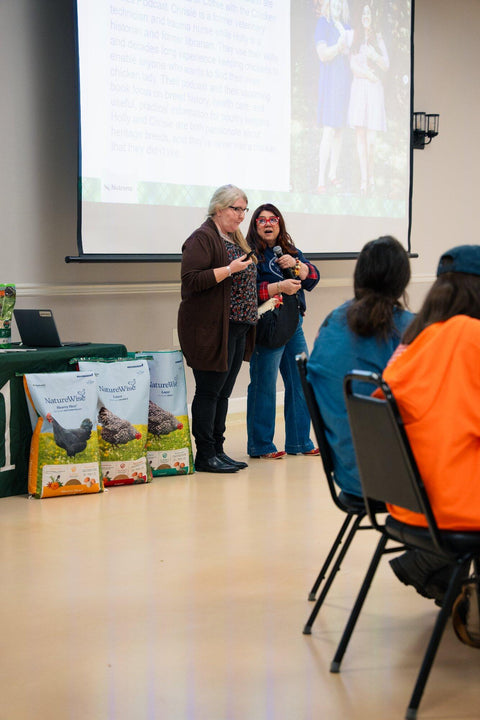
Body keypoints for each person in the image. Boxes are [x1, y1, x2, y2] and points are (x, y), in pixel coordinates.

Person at [379, 245, 480, 604]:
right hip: (456, 506)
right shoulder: (471, 337)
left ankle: (434, 564)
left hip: (408, 502)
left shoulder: (413, 342)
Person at [307, 235, 413, 497]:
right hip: (405, 484)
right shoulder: (410, 330)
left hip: (348, 474)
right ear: (402, 281)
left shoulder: (332, 322)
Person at [177, 184, 257, 474]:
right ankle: (205, 454)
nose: (241, 216)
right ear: (219, 208)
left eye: (244, 210)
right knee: (209, 392)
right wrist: (229, 270)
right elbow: (191, 280)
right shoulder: (202, 238)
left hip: (236, 328)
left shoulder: (235, 239)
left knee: (223, 392)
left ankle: (219, 450)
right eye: (237, 209)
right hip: (210, 330)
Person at [246, 203, 320, 459]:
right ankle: (261, 445)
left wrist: (299, 266)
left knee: (302, 381)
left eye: (273, 219)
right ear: (255, 225)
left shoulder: (290, 251)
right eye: (261, 220)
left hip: (294, 324)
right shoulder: (249, 254)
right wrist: (279, 287)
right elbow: (246, 293)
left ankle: (300, 442)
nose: (268, 224)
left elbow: (313, 278)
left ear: (280, 224)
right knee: (264, 385)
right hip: (268, 325)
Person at [348, 4, 389, 195]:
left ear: (373, 17)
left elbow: (386, 65)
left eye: (369, 13)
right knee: (360, 136)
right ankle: (364, 180)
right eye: (363, 13)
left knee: (371, 139)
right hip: (359, 88)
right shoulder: (355, 37)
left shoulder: (377, 37)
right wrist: (367, 74)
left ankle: (371, 175)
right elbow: (353, 66)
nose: (366, 16)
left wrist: (375, 56)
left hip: (373, 91)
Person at [314, 0, 353, 193]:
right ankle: (321, 178)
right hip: (330, 83)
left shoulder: (346, 26)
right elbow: (322, 54)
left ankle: (333, 174)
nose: (338, 3)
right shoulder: (323, 23)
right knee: (329, 130)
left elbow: (351, 53)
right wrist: (338, 47)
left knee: (339, 131)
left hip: (344, 83)